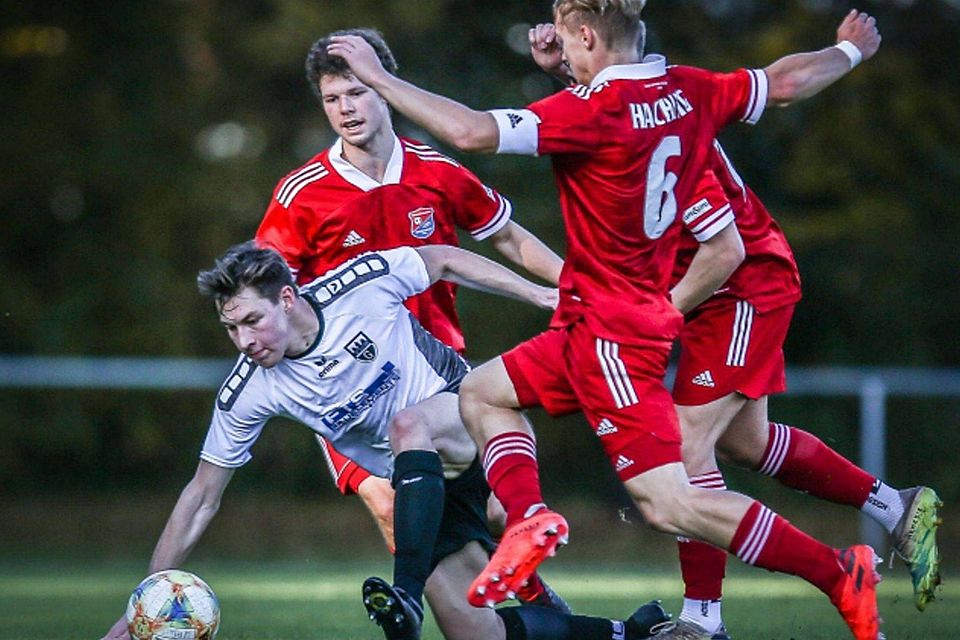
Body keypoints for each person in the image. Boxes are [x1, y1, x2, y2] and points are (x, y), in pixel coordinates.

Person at [326, 3, 888, 639]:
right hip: (587, 322)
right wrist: (849, 52)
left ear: (587, 35)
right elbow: (785, 81)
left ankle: (838, 573)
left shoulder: (587, 113)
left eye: (565, 37)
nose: (558, 47)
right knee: (483, 392)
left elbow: (473, 132)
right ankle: (530, 518)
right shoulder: (691, 90)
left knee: (668, 502)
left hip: (615, 337)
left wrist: (382, 78)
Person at [525, 21, 943, 638]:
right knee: (746, 442)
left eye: (573, 42)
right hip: (718, 288)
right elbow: (760, 89)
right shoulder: (650, 103)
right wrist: (564, 72)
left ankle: (703, 622)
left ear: (596, 37)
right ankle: (897, 506)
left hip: (744, 283)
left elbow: (725, 246)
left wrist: (655, 316)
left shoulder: (664, 124)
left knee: (687, 443)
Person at [100, 241, 671, 640]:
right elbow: (201, 495)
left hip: (472, 419)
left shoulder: (359, 286)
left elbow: (444, 259)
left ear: (288, 299)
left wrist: (540, 296)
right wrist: (145, 600)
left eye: (252, 321)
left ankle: (405, 593)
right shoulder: (250, 390)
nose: (243, 340)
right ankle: (635, 632)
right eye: (230, 328)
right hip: (427, 487)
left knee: (407, 425)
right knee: (479, 632)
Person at [254, 28, 568, 608]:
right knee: (393, 505)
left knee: (498, 509)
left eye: (357, 92)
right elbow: (267, 292)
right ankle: (430, 610)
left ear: (384, 89)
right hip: (353, 387)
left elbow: (506, 237)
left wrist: (573, 284)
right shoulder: (302, 194)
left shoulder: (436, 170)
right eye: (332, 99)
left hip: (438, 368)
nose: (346, 108)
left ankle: (548, 615)